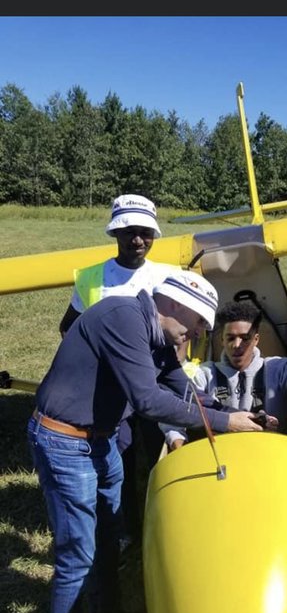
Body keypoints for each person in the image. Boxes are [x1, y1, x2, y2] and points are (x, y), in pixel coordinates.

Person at [29, 269, 267, 613]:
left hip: (100, 440)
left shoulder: (158, 336)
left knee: (109, 533)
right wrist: (222, 422)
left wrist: (235, 414)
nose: (200, 334)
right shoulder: (123, 319)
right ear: (175, 305)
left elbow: (180, 388)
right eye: (199, 323)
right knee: (77, 555)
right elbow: (148, 401)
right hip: (65, 441)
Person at [59, 193, 182, 545]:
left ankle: (166, 528)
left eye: (146, 232)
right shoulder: (91, 278)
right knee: (120, 460)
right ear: (115, 233)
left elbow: (181, 334)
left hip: (156, 383)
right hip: (113, 389)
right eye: (129, 232)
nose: (138, 240)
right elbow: (69, 327)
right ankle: (127, 529)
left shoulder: (167, 276)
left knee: (164, 455)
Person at [161, 288, 287, 451]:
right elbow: (172, 411)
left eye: (245, 338)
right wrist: (179, 447)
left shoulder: (278, 369)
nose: (237, 345)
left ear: (256, 340)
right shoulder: (205, 375)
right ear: (222, 340)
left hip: (276, 456)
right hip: (222, 461)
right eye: (230, 338)